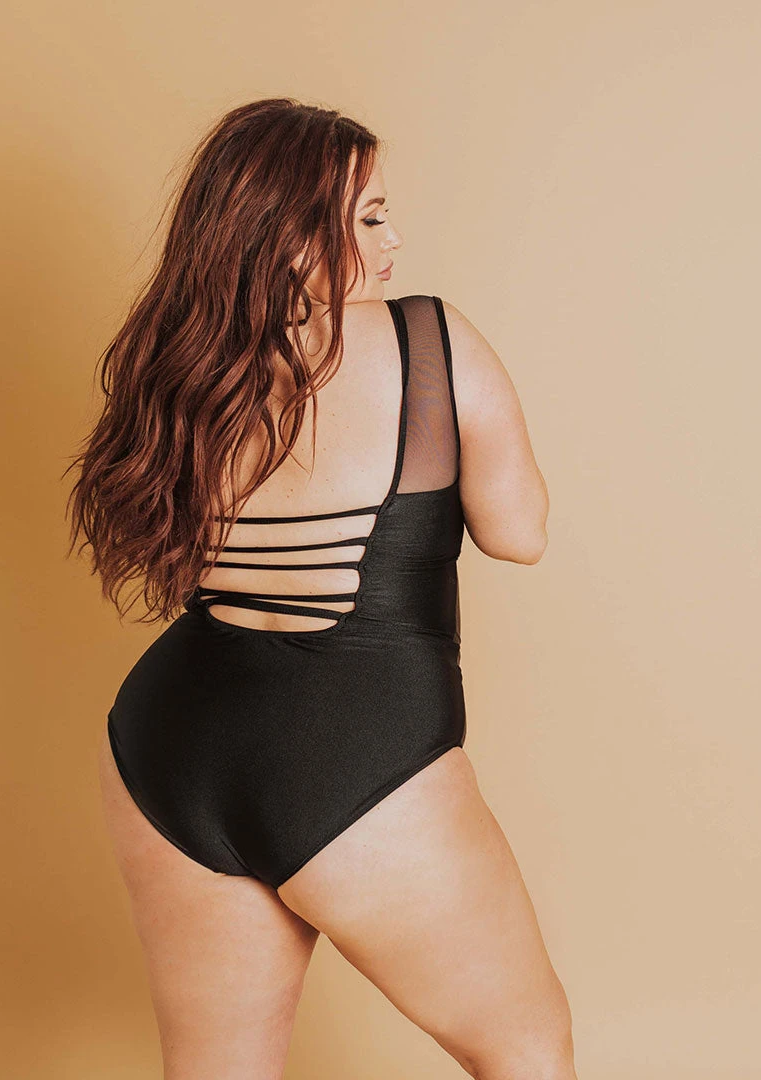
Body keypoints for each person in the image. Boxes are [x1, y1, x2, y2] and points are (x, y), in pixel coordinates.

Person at [66, 97, 576, 1080]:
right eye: (369, 215)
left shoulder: (184, 370)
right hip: (355, 744)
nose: (392, 240)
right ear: (292, 233)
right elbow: (520, 535)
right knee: (526, 1051)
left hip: (169, 746)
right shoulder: (429, 343)